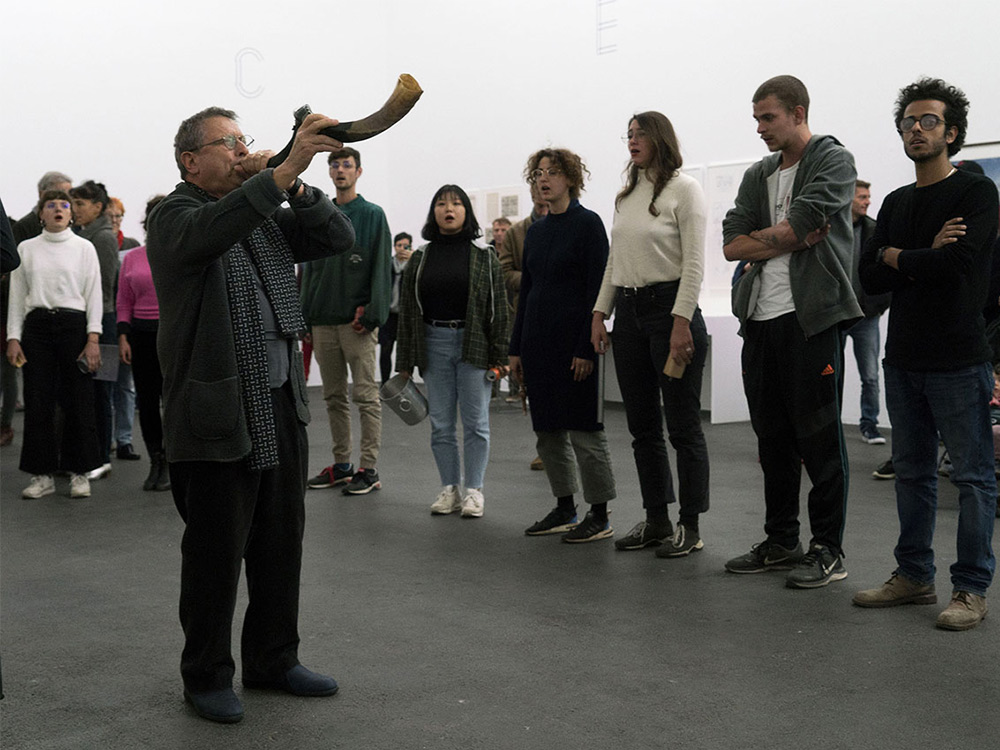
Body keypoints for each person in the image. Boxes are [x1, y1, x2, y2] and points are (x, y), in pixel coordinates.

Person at [146, 106, 354, 723]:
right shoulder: (173, 217)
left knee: (279, 543)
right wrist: (283, 168)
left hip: (280, 405)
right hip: (215, 417)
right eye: (228, 142)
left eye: (246, 140)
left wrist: (302, 180)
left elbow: (337, 238)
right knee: (215, 554)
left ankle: (272, 658)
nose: (242, 150)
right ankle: (205, 674)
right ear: (190, 160)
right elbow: (215, 229)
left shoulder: (262, 219)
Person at [853, 78, 999, 631]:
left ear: (953, 131)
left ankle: (970, 589)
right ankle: (913, 577)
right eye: (908, 122)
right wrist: (911, 254)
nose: (916, 129)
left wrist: (896, 257)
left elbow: (956, 266)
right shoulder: (895, 201)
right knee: (912, 472)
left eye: (929, 120)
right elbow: (868, 272)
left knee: (973, 478)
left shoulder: (976, 194)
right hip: (904, 356)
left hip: (960, 358)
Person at [722, 75, 861, 588]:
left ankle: (828, 550)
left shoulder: (832, 160)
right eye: (756, 118)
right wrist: (784, 238)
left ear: (798, 113)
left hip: (811, 321)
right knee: (773, 440)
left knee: (820, 441)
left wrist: (781, 235)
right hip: (759, 320)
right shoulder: (759, 174)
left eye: (768, 118)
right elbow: (732, 245)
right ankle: (781, 541)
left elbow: (801, 224)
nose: (759, 128)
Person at [590, 111, 710, 557]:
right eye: (628, 135)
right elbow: (614, 262)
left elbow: (695, 264)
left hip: (669, 313)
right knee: (642, 427)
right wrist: (600, 312)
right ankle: (657, 519)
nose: (632, 141)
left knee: (683, 426)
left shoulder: (685, 190)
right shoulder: (626, 196)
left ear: (660, 138)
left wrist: (682, 322)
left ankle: (691, 527)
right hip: (631, 314)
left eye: (640, 134)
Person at [511, 148, 617, 543]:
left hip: (576, 345)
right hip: (538, 346)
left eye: (553, 172)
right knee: (549, 432)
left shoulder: (588, 225)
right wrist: (516, 347)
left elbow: (598, 291)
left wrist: (586, 348)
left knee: (586, 432)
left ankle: (600, 514)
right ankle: (565, 506)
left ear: (571, 179)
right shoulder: (536, 231)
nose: (543, 179)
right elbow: (529, 293)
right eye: (538, 173)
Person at [395, 184, 510, 518]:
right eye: (442, 204)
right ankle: (450, 489)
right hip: (433, 343)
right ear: (434, 212)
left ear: (466, 212)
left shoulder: (484, 257)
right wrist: (404, 363)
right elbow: (408, 314)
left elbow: (499, 310)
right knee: (442, 425)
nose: (449, 209)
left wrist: (500, 357)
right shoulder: (420, 257)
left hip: (473, 343)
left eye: (457, 203)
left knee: (476, 424)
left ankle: (474, 491)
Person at [301, 147, 391, 496]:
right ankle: (342, 466)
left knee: (366, 396)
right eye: (335, 165)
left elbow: (382, 266)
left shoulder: (371, 214)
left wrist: (373, 313)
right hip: (322, 321)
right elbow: (308, 269)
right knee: (333, 397)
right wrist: (303, 315)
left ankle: (368, 469)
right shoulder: (320, 215)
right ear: (329, 172)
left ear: (359, 172)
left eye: (347, 165)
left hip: (356, 324)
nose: (340, 171)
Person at [5, 190, 102, 498]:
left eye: (64, 205)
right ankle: (41, 475)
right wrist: (13, 337)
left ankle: (79, 473)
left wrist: (93, 338)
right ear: (41, 214)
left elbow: (94, 295)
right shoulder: (26, 248)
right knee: (38, 401)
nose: (58, 210)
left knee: (78, 400)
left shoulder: (84, 248)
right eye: (51, 205)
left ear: (71, 214)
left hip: (74, 326)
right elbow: (17, 297)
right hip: (37, 328)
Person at [5, 172, 73, 448]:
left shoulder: (78, 241)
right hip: (33, 317)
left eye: (67, 198)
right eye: (59, 195)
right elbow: (15, 283)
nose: (63, 203)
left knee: (67, 394)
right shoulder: (24, 231)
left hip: (69, 320)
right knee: (37, 391)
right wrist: (14, 333)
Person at [117, 194, 170, 491]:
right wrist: (123, 335)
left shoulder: (179, 252)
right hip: (141, 334)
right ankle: (156, 460)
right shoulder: (133, 257)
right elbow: (123, 300)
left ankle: (174, 462)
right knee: (147, 402)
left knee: (172, 401)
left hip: (172, 332)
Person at [70, 180, 120, 478]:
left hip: (105, 322)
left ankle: (102, 456)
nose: (74, 210)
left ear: (97, 207)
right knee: (90, 390)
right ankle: (92, 453)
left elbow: (103, 286)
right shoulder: (83, 235)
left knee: (102, 390)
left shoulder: (101, 238)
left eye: (80, 204)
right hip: (93, 321)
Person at [499, 181, 550, 460]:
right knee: (534, 388)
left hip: (561, 318)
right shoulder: (517, 232)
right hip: (528, 316)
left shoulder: (572, 225)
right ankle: (545, 448)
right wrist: (534, 279)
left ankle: (561, 448)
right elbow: (504, 271)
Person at [842, 180, 891, 445]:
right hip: (836, 316)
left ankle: (869, 425)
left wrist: (878, 306)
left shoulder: (873, 230)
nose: (867, 201)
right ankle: (829, 426)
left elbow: (886, 270)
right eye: (862, 196)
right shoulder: (832, 230)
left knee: (870, 376)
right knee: (829, 374)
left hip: (866, 317)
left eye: (868, 196)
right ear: (848, 199)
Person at [106, 196, 141, 464]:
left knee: (126, 384)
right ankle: (106, 438)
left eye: (118, 216)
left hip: (128, 320)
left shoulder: (131, 246)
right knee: (106, 382)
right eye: (110, 215)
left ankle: (125, 439)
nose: (114, 220)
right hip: (106, 318)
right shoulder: (94, 243)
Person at [378, 232, 412, 384]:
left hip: (406, 316)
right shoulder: (387, 264)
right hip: (389, 315)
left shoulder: (413, 264)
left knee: (405, 352)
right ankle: (385, 383)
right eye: (399, 245)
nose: (402, 249)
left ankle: (405, 385)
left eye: (406, 246)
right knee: (385, 349)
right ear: (394, 246)